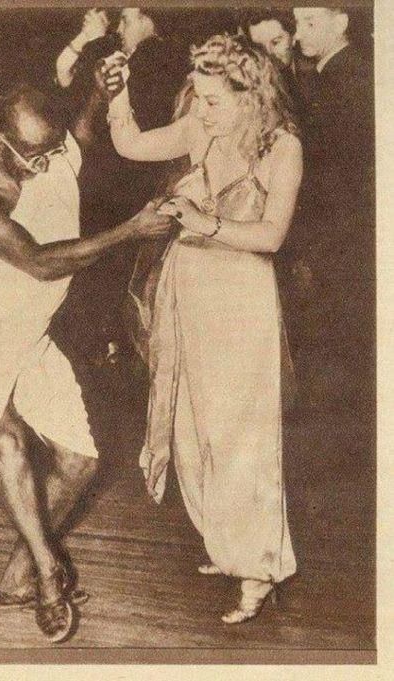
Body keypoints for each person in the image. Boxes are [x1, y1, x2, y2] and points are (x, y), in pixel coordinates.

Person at [0, 84, 174, 643]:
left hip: (29, 338)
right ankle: (47, 571)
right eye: (33, 155)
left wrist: (98, 93)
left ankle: (15, 578)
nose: (47, 164)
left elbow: (78, 138)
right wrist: (132, 230)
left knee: (80, 463)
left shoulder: (48, 154)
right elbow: (39, 263)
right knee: (9, 443)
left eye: (50, 150)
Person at [105, 34, 303, 623]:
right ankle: (228, 542)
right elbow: (132, 145)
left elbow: (270, 237)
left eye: (216, 100)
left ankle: (259, 567)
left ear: (253, 94)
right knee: (193, 425)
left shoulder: (281, 146)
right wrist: (119, 96)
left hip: (240, 299)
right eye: (201, 96)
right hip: (188, 290)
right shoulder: (202, 125)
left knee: (242, 433)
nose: (203, 109)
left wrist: (204, 220)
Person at [52, 7, 188, 365]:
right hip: (121, 181)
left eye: (126, 19)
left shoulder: (154, 58)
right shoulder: (138, 58)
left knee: (99, 269)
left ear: (149, 19)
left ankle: (99, 352)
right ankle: (102, 348)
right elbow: (64, 78)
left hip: (119, 183)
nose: (119, 27)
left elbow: (99, 129)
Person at [291, 7, 375, 410]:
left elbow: (332, 174)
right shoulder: (339, 75)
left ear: (341, 23)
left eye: (309, 22)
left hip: (338, 232)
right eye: (297, 22)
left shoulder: (344, 79)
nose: (297, 34)